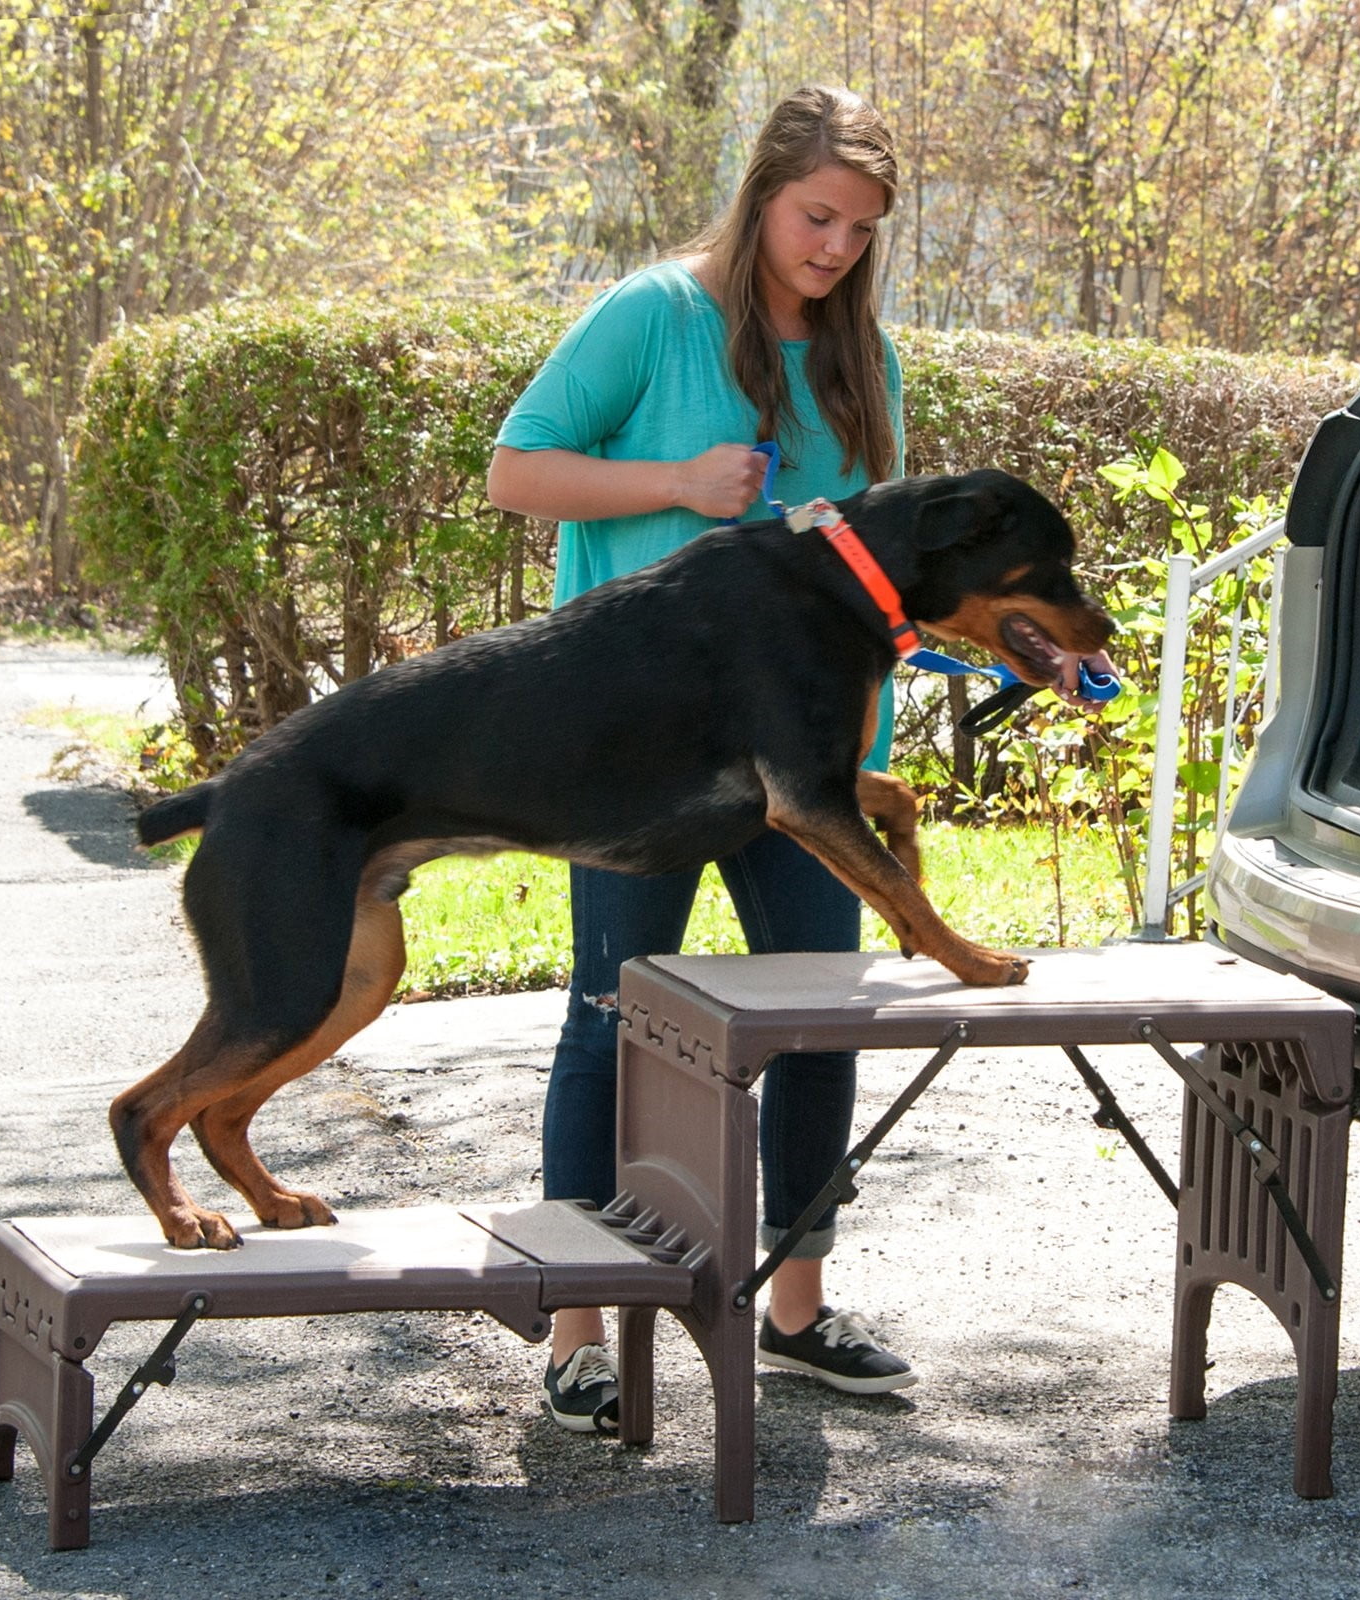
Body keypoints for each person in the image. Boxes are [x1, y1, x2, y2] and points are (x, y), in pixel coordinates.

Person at [487, 84, 916, 1434]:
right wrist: (676, 482)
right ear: (762, 192)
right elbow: (517, 469)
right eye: (817, 215)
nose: (837, 247)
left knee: (819, 1017)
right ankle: (572, 1325)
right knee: (610, 1017)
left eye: (860, 228)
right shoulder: (652, 316)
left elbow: (868, 568)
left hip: (804, 764)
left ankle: (795, 1303)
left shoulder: (864, 361)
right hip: (635, 754)